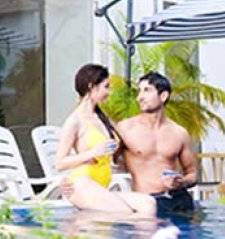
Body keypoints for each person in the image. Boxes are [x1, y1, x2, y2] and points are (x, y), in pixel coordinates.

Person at [56, 64, 156, 215]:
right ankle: (82, 223)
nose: (109, 92)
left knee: (148, 203)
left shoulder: (101, 118)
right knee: (124, 213)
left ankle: (86, 221)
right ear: (91, 86)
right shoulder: (75, 121)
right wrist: (92, 153)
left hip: (101, 186)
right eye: (106, 87)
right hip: (81, 185)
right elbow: (60, 163)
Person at [116, 71, 197, 215]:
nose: (140, 97)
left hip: (179, 199)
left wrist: (181, 182)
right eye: (139, 91)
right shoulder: (125, 128)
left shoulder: (179, 133)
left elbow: (192, 174)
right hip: (148, 202)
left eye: (147, 90)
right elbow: (106, 162)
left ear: (163, 96)